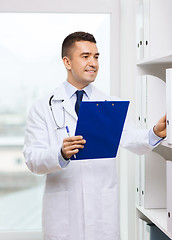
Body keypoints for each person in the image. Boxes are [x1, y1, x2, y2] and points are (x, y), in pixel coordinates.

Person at [23, 31, 166, 240]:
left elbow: (131, 139)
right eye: (85, 56)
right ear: (67, 62)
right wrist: (60, 153)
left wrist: (153, 133)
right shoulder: (43, 107)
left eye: (96, 57)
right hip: (63, 214)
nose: (93, 63)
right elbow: (32, 159)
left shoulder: (110, 104)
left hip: (102, 212)